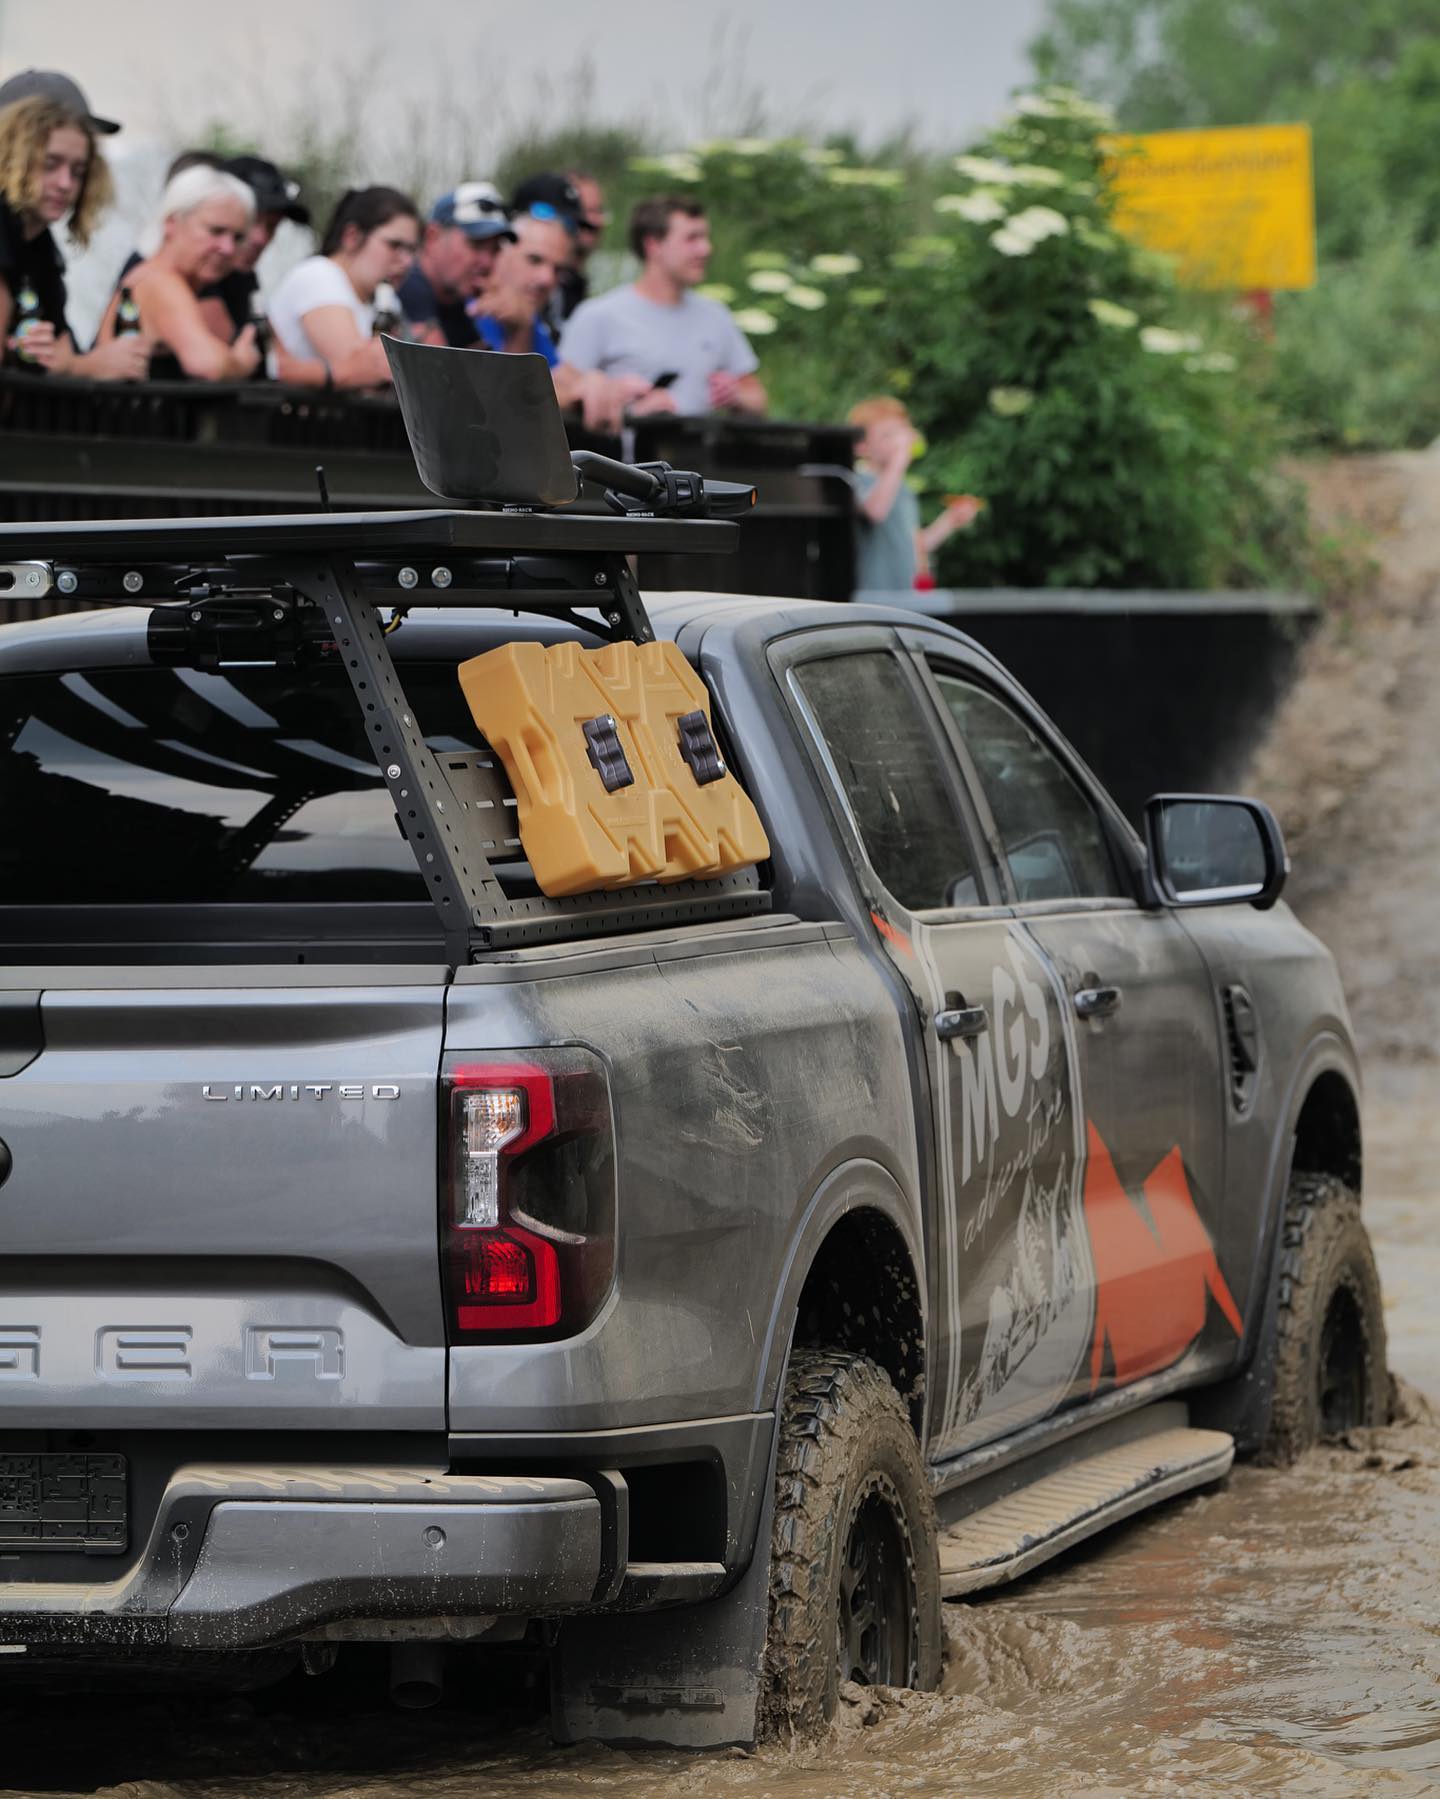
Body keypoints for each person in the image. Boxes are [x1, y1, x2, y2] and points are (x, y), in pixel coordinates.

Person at [559, 196, 766, 418]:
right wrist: (612, 397)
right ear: (653, 245)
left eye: (705, 237)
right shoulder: (599, 315)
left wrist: (736, 395)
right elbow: (558, 396)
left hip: (701, 440)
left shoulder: (716, 316)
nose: (706, 249)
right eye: (692, 238)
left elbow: (758, 399)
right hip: (624, 441)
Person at [0, 75, 148, 380]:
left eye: (78, 171)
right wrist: (85, 367)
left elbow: (59, 348)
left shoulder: (39, 245)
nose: (65, 184)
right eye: (49, 164)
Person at [94, 164, 259, 382]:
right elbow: (208, 364)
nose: (227, 248)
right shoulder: (159, 280)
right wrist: (241, 362)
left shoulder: (162, 278)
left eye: (238, 238)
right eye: (216, 231)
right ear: (172, 222)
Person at [266, 186, 420, 389]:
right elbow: (365, 373)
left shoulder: (385, 299)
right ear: (352, 236)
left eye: (411, 250)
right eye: (394, 245)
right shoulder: (318, 275)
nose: (407, 261)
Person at [848, 396, 983, 593]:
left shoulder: (903, 489)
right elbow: (875, 511)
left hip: (903, 596)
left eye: (902, 431)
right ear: (861, 447)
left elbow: (915, 547)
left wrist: (951, 520)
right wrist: (899, 459)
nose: (900, 442)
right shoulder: (855, 480)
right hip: (871, 597)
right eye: (888, 435)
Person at [398, 183, 514, 348]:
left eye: (495, 250)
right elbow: (434, 362)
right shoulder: (407, 285)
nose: (487, 262)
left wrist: (517, 327)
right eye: (476, 244)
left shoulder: (456, 301)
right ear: (432, 237)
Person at [509, 170, 602, 330]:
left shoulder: (569, 286)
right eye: (564, 223)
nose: (573, 236)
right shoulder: (476, 302)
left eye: (574, 227)